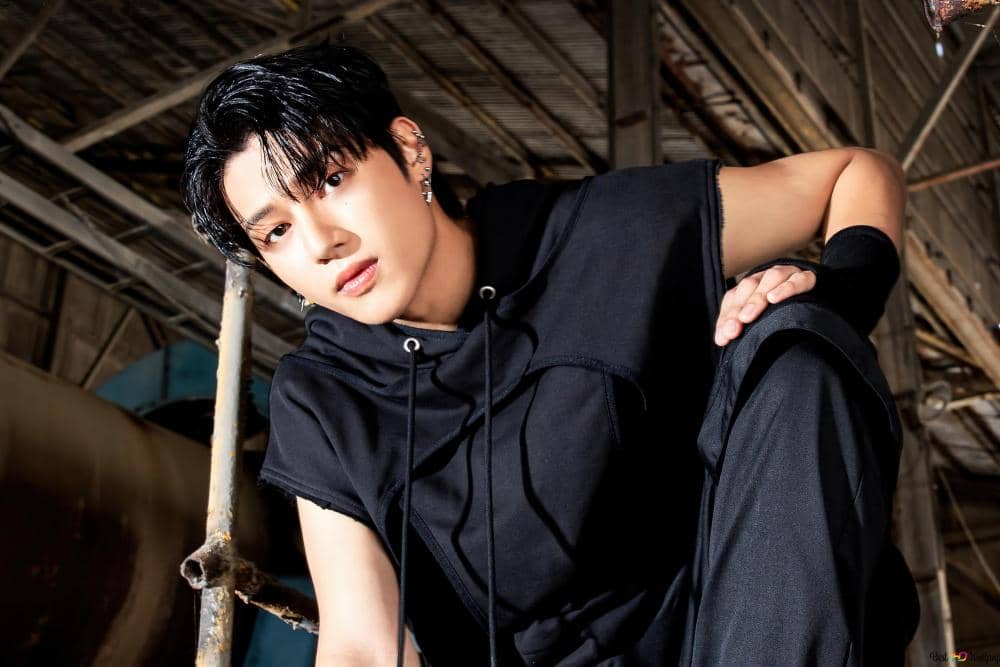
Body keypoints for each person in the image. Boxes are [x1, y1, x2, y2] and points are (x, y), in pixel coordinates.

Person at [180, 41, 918, 666]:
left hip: (748, 617)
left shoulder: (598, 231)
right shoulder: (322, 395)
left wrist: (842, 290)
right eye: (276, 231)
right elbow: (364, 645)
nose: (320, 242)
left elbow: (856, 172)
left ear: (408, 150)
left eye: (332, 180)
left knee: (792, 335)